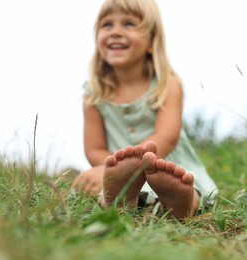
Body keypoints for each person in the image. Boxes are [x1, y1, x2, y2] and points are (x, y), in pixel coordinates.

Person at [72, 0, 218, 219]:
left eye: (129, 24)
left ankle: (183, 203)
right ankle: (123, 197)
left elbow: (166, 137)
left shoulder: (167, 85)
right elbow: (94, 149)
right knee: (91, 186)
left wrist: (138, 164)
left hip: (165, 165)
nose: (116, 32)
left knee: (183, 184)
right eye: (107, 25)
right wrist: (110, 168)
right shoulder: (93, 95)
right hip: (114, 171)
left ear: (151, 41)